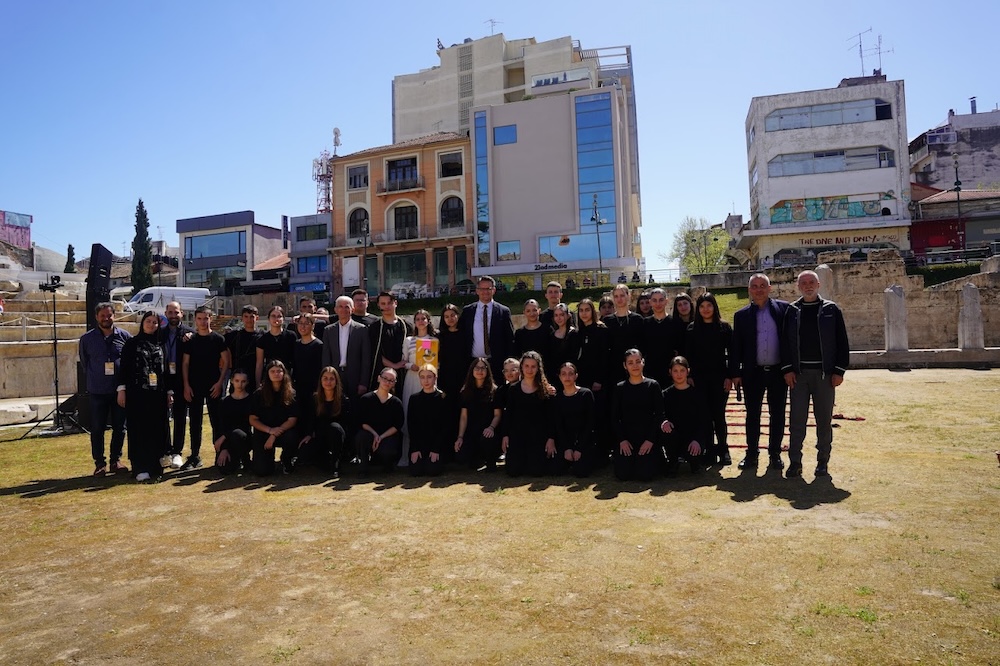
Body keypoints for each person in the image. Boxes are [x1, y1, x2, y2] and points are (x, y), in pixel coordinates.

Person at [783, 270, 849, 479]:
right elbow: (785, 343)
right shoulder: (792, 311)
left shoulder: (831, 309)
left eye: (811, 282)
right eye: (804, 283)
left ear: (818, 285)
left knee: (823, 420)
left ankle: (822, 461)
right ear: (798, 286)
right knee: (797, 420)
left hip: (824, 375)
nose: (808, 286)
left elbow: (842, 342)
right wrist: (787, 369)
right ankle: (795, 461)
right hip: (799, 375)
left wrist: (839, 370)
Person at [730, 273, 793, 471]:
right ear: (749, 290)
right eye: (755, 286)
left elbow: (790, 341)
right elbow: (736, 346)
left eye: (762, 285)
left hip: (778, 372)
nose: (759, 290)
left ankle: (775, 454)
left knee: (778, 414)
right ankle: (752, 454)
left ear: (769, 288)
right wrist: (735, 373)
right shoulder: (741, 316)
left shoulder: (784, 310)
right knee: (752, 414)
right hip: (752, 373)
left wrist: (790, 368)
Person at [79, 302, 131, 476]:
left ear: (114, 316)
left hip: (119, 391)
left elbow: (129, 362)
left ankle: (116, 460)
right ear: (96, 317)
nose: (106, 318)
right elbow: (85, 363)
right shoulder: (87, 339)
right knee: (97, 428)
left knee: (120, 427)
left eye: (109, 315)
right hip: (97, 391)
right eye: (102, 316)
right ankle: (99, 463)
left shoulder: (124, 336)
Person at [115, 311, 168, 481]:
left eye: (155, 322)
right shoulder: (132, 343)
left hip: (157, 395)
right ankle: (140, 467)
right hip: (137, 394)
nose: (151, 324)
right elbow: (124, 368)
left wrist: (169, 392)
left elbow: (165, 370)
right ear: (142, 322)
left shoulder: (161, 343)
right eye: (148, 321)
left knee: (156, 429)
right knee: (139, 429)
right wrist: (121, 390)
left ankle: (155, 465)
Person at [685, 293, 733, 466]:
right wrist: (690, 376)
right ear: (698, 309)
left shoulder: (724, 328)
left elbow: (732, 355)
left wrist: (729, 376)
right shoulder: (692, 329)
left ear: (714, 307)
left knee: (719, 415)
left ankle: (724, 449)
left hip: (719, 379)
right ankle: (710, 451)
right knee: (704, 416)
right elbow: (688, 356)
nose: (706, 309)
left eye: (709, 305)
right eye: (702, 306)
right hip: (699, 380)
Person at [180, 306, 230, 471]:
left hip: (214, 386)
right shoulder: (191, 340)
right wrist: (186, 385)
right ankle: (195, 456)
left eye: (206, 318)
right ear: (195, 320)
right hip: (194, 386)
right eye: (199, 318)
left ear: (211, 318)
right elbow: (185, 364)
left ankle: (220, 453)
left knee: (217, 421)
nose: (203, 322)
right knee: (195, 422)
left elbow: (226, 362)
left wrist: (220, 382)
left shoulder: (218, 339)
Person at [500, 351, 557, 477]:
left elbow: (551, 417)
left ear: (538, 368)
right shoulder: (513, 389)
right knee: (513, 471)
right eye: (526, 366)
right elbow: (508, 414)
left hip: (538, 437)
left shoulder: (546, 390)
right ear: (521, 367)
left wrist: (551, 438)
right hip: (518, 435)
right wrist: (505, 435)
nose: (529, 370)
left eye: (533, 366)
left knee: (536, 471)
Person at [612, 349, 664, 482]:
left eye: (637, 361)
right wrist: (622, 440)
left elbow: (659, 415)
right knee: (623, 475)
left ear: (643, 362)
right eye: (630, 363)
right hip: (627, 439)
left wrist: (650, 440)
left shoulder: (653, 385)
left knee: (645, 475)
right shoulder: (620, 388)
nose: (635, 365)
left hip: (647, 438)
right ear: (625, 366)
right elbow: (614, 417)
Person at [576, 298, 612, 466]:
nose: (584, 313)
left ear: (593, 311)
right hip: (582, 381)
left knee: (600, 417)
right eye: (581, 310)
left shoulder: (601, 330)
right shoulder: (578, 332)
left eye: (587, 310)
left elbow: (605, 357)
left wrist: (599, 379)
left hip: (599, 382)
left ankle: (603, 453)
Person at [660, 356, 711, 475]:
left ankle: (695, 462)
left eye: (682, 370)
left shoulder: (697, 394)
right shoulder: (665, 394)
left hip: (693, 439)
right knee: (666, 430)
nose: (679, 374)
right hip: (675, 438)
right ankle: (673, 461)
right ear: (670, 372)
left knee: (694, 459)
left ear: (688, 371)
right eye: (675, 371)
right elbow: (661, 415)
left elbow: (704, 421)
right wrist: (665, 421)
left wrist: (697, 440)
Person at [296, 367, 351, 476]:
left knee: (335, 428)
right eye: (325, 378)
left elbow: (346, 424)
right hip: (320, 436)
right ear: (320, 381)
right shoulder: (315, 399)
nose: (328, 382)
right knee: (304, 452)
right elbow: (311, 419)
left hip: (337, 438)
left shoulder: (343, 400)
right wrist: (308, 434)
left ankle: (336, 464)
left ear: (336, 381)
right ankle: (324, 461)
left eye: (331, 379)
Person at [400, 309, 438, 465]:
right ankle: (408, 455)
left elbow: (436, 362)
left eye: (424, 318)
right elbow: (403, 361)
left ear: (428, 321)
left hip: (429, 380)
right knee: (411, 414)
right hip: (412, 379)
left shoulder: (434, 341)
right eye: (418, 319)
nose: (421, 321)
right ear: (414, 322)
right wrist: (411, 366)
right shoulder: (408, 340)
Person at [249, 360, 299, 476]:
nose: (276, 374)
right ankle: (267, 460)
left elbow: (292, 420)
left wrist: (274, 434)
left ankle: (286, 459)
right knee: (262, 471)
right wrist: (270, 430)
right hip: (263, 432)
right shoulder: (258, 394)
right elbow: (252, 419)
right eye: (272, 371)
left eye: (279, 371)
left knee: (292, 436)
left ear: (284, 373)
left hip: (284, 432)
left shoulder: (291, 394)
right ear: (268, 374)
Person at [159, 300, 194, 469]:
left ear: (182, 313)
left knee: (180, 416)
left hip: (182, 379)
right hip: (163, 379)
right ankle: (166, 451)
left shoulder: (190, 334)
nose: (173, 315)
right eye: (170, 312)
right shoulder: (159, 333)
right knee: (162, 417)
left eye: (176, 312)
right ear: (166, 314)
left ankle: (177, 452)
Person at [459, 275, 515, 379]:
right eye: (482, 289)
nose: (485, 292)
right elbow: (461, 335)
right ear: (477, 291)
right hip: (473, 362)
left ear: (494, 290)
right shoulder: (468, 311)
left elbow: (509, 338)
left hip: (496, 363)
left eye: (488, 289)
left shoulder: (503, 311)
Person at [454, 358, 502, 471]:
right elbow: (464, 417)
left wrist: (491, 428)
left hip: (488, 432)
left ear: (487, 371)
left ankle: (491, 460)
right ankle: (477, 459)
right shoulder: (465, 391)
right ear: (472, 370)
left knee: (487, 439)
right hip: (472, 432)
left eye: (483, 368)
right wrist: (460, 437)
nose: (480, 371)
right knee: (461, 457)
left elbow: (497, 415)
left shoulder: (495, 391)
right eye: (477, 368)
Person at [355, 368, 404, 475]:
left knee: (388, 449)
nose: (387, 382)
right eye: (385, 378)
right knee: (362, 436)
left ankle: (387, 466)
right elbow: (362, 421)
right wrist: (375, 435)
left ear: (394, 383)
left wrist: (381, 437)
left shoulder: (396, 403)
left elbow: (397, 425)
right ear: (378, 378)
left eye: (391, 380)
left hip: (387, 436)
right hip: (370, 434)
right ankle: (363, 467)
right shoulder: (366, 399)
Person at [321, 295, 371, 398]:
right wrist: (326, 378)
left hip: (355, 376)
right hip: (334, 376)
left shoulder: (361, 330)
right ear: (335, 309)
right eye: (340, 306)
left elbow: (366, 358)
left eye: (347, 307)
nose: (343, 310)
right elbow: (326, 356)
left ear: (352, 309)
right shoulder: (328, 330)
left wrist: (363, 382)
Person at [554, 362, 596, 477]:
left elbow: (590, 422)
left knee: (581, 471)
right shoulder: (558, 398)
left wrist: (579, 448)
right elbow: (559, 425)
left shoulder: (586, 394)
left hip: (584, 440)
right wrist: (567, 448)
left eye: (570, 374)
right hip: (567, 440)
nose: (567, 377)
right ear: (559, 377)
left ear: (576, 376)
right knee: (556, 469)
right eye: (564, 374)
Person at [406, 364, 447, 477]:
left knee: (432, 471)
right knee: (415, 472)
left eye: (429, 377)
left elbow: (445, 426)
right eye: (422, 377)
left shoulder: (442, 398)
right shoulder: (414, 399)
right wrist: (415, 448)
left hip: (436, 445)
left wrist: (436, 449)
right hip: (419, 445)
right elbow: (411, 425)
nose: (426, 380)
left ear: (435, 378)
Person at [368, 291, 413, 390]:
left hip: (403, 372)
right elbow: (375, 352)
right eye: (383, 304)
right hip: (382, 372)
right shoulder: (375, 327)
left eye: (389, 303)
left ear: (395, 303)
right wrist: (393, 365)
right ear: (378, 305)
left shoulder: (406, 326)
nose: (386, 306)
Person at [436, 303, 466, 453]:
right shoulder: (439, 337)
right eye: (446, 316)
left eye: (453, 315)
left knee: (462, 412)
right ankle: (447, 450)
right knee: (447, 414)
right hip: (445, 381)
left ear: (458, 316)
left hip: (463, 379)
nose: (450, 319)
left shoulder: (466, 334)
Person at [213, 370, 253, 475]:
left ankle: (246, 460)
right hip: (229, 440)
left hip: (245, 438)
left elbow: (245, 424)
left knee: (237, 434)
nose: (240, 384)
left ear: (247, 382)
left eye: (243, 381)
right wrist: (224, 448)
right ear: (231, 381)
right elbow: (222, 426)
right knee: (224, 469)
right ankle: (236, 460)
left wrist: (224, 437)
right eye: (237, 381)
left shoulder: (252, 400)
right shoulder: (224, 402)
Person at [602, 284, 643, 384]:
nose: (619, 299)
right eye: (616, 296)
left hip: (633, 368)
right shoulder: (607, 321)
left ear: (628, 296)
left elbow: (642, 345)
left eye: (622, 295)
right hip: (613, 369)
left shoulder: (637, 319)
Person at [255, 306, 297, 387]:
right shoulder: (262, 339)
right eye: (273, 316)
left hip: (288, 377)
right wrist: (258, 383)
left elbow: (295, 359)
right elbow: (259, 363)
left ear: (283, 319)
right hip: (269, 378)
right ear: (269, 318)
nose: (276, 319)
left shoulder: (291, 336)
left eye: (279, 316)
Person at [640, 288, 673, 386]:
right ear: (650, 302)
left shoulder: (675, 322)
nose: (658, 304)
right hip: (650, 372)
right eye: (654, 300)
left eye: (661, 300)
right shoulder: (645, 323)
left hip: (671, 372)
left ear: (666, 301)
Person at [225, 305, 261, 394]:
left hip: (255, 378)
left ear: (257, 318)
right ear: (242, 318)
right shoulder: (233, 336)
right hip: (238, 379)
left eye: (251, 317)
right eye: (246, 316)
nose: (249, 320)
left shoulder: (263, 336)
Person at [544, 303, 580, 386]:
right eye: (556, 315)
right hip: (555, 376)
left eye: (561, 315)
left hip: (569, 376)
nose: (559, 318)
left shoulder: (574, 334)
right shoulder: (552, 335)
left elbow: (574, 357)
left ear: (568, 316)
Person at [668, 293, 695, 358]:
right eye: (679, 305)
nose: (683, 307)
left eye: (685, 303)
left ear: (690, 304)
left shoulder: (698, 323)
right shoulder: (672, 325)